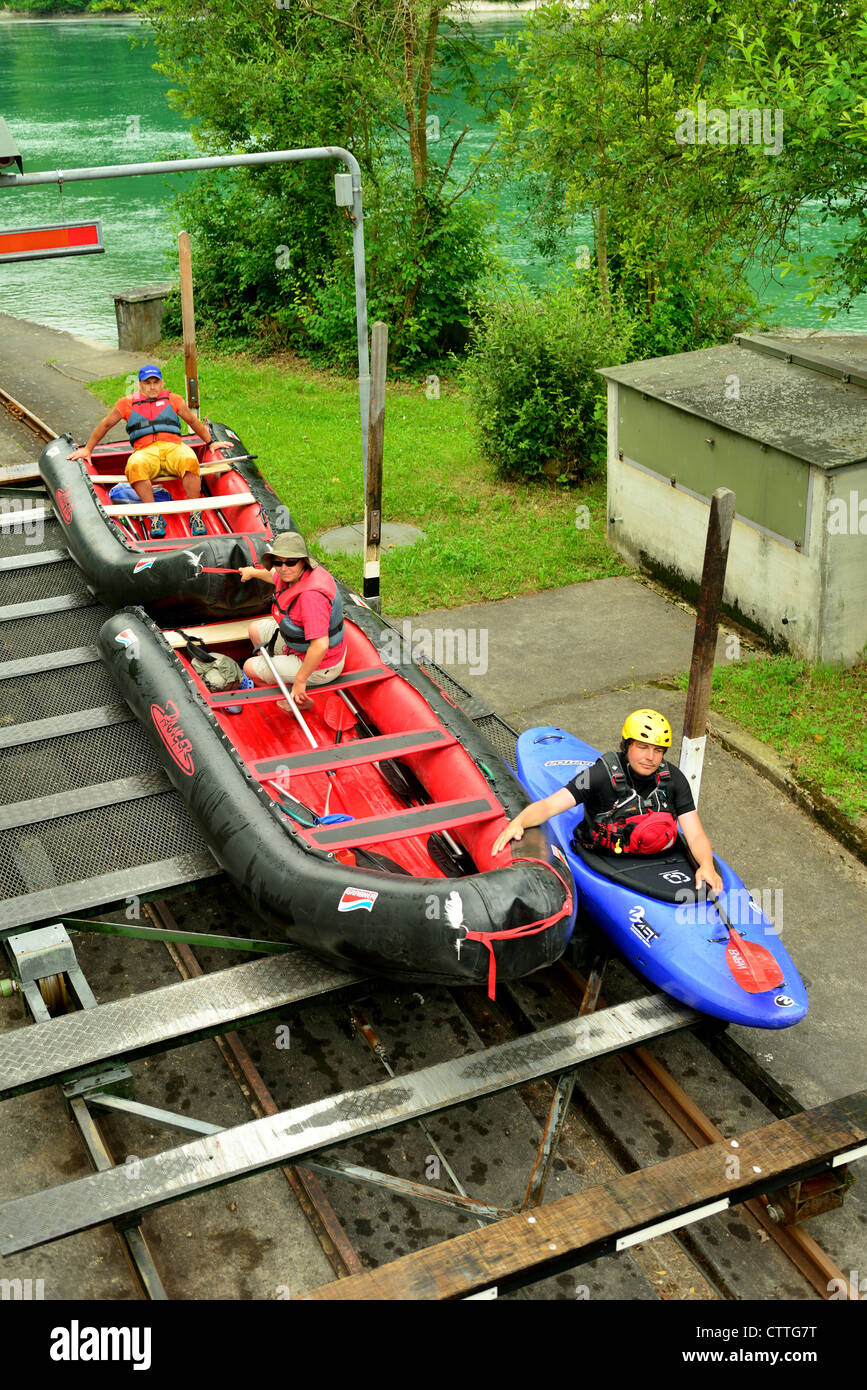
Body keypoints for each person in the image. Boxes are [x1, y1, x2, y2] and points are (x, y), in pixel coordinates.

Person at [493, 708, 723, 893]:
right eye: (642, 747)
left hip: (661, 854)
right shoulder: (599, 775)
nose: (650, 757)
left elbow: (694, 834)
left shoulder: (674, 779)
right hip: (607, 857)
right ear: (626, 746)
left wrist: (706, 865)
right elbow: (550, 805)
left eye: (658, 750)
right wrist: (519, 822)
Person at [67, 365, 231, 539]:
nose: (152, 386)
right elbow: (105, 425)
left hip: (173, 447)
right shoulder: (126, 404)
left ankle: (195, 513)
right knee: (135, 465)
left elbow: (192, 421)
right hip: (145, 451)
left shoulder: (174, 400)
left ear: (162, 383)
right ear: (140, 385)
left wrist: (211, 442)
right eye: (147, 383)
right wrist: (88, 449)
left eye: (156, 382)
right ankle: (154, 515)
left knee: (189, 459)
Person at [239, 532, 347, 709]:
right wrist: (251, 572)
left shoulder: (310, 598)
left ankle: (295, 702)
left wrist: (300, 680)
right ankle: (277, 676)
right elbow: (273, 575)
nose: (283, 568)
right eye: (278, 562)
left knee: (250, 667)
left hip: (322, 664)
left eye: (290, 562)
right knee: (254, 629)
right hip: (299, 645)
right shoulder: (291, 575)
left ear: (303, 561)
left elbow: (320, 646)